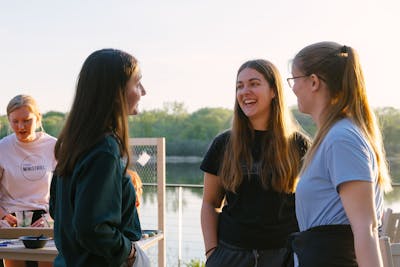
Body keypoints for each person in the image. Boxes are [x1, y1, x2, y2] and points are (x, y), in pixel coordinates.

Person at [288, 41, 392, 267]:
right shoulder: (333, 137)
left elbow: (367, 229)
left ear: (314, 82)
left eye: (294, 80)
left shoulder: (341, 139)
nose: (293, 88)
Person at [200, 59, 310, 267]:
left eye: (254, 83)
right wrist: (212, 253)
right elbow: (210, 203)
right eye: (239, 86)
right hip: (231, 256)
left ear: (273, 91)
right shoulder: (223, 144)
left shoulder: (298, 145)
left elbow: (313, 204)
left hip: (283, 256)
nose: (244, 92)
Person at [49, 48, 146, 267]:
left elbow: (56, 208)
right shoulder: (104, 149)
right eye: (137, 83)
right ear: (115, 92)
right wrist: (129, 252)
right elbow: (93, 229)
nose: (143, 91)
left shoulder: (75, 143)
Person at [0, 94, 56, 267]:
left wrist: (53, 216)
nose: (21, 127)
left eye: (27, 120)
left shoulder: (55, 146)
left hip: (45, 219)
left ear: (38, 118)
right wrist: (2, 216)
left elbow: (67, 191)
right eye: (15, 121)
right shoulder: (2, 148)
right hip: (10, 220)